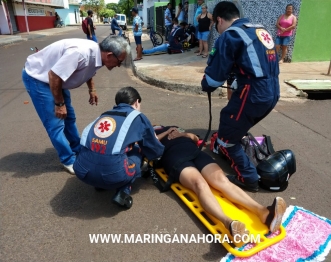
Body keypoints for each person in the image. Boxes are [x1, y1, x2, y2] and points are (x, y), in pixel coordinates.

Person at [22, 36, 130, 175]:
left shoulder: (96, 53)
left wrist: (92, 89)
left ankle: (77, 149)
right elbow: (54, 76)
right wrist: (59, 103)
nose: (119, 65)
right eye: (119, 61)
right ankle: (68, 159)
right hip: (39, 79)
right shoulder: (80, 54)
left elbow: (88, 69)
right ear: (109, 55)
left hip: (58, 79)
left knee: (69, 117)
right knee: (55, 123)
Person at [201, 1, 280, 192]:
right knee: (236, 122)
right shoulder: (260, 29)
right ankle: (239, 144)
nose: (216, 30)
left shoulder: (230, 35)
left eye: (215, 25)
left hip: (252, 94)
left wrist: (206, 84)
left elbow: (214, 78)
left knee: (227, 135)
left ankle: (248, 178)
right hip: (273, 91)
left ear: (219, 19)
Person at [154, 126, 287, 237]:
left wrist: (182, 134)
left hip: (195, 152)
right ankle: (229, 223)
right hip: (174, 157)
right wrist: (166, 133)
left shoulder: (175, 128)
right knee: (200, 184)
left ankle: (264, 213)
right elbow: (149, 146)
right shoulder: (149, 130)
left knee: (222, 180)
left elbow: (196, 139)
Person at [74, 87, 164, 208]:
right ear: (137, 102)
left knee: (107, 150)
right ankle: (123, 192)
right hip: (112, 175)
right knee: (139, 150)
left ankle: (100, 185)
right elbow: (153, 148)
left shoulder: (104, 115)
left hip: (82, 171)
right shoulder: (138, 117)